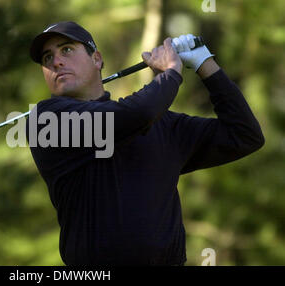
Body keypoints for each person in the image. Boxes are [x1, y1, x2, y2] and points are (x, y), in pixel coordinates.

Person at [25, 21, 264, 265]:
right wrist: (171, 72)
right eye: (47, 58)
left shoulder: (163, 125)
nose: (55, 62)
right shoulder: (47, 121)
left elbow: (244, 135)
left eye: (66, 50)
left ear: (96, 59)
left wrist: (205, 63)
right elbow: (136, 115)